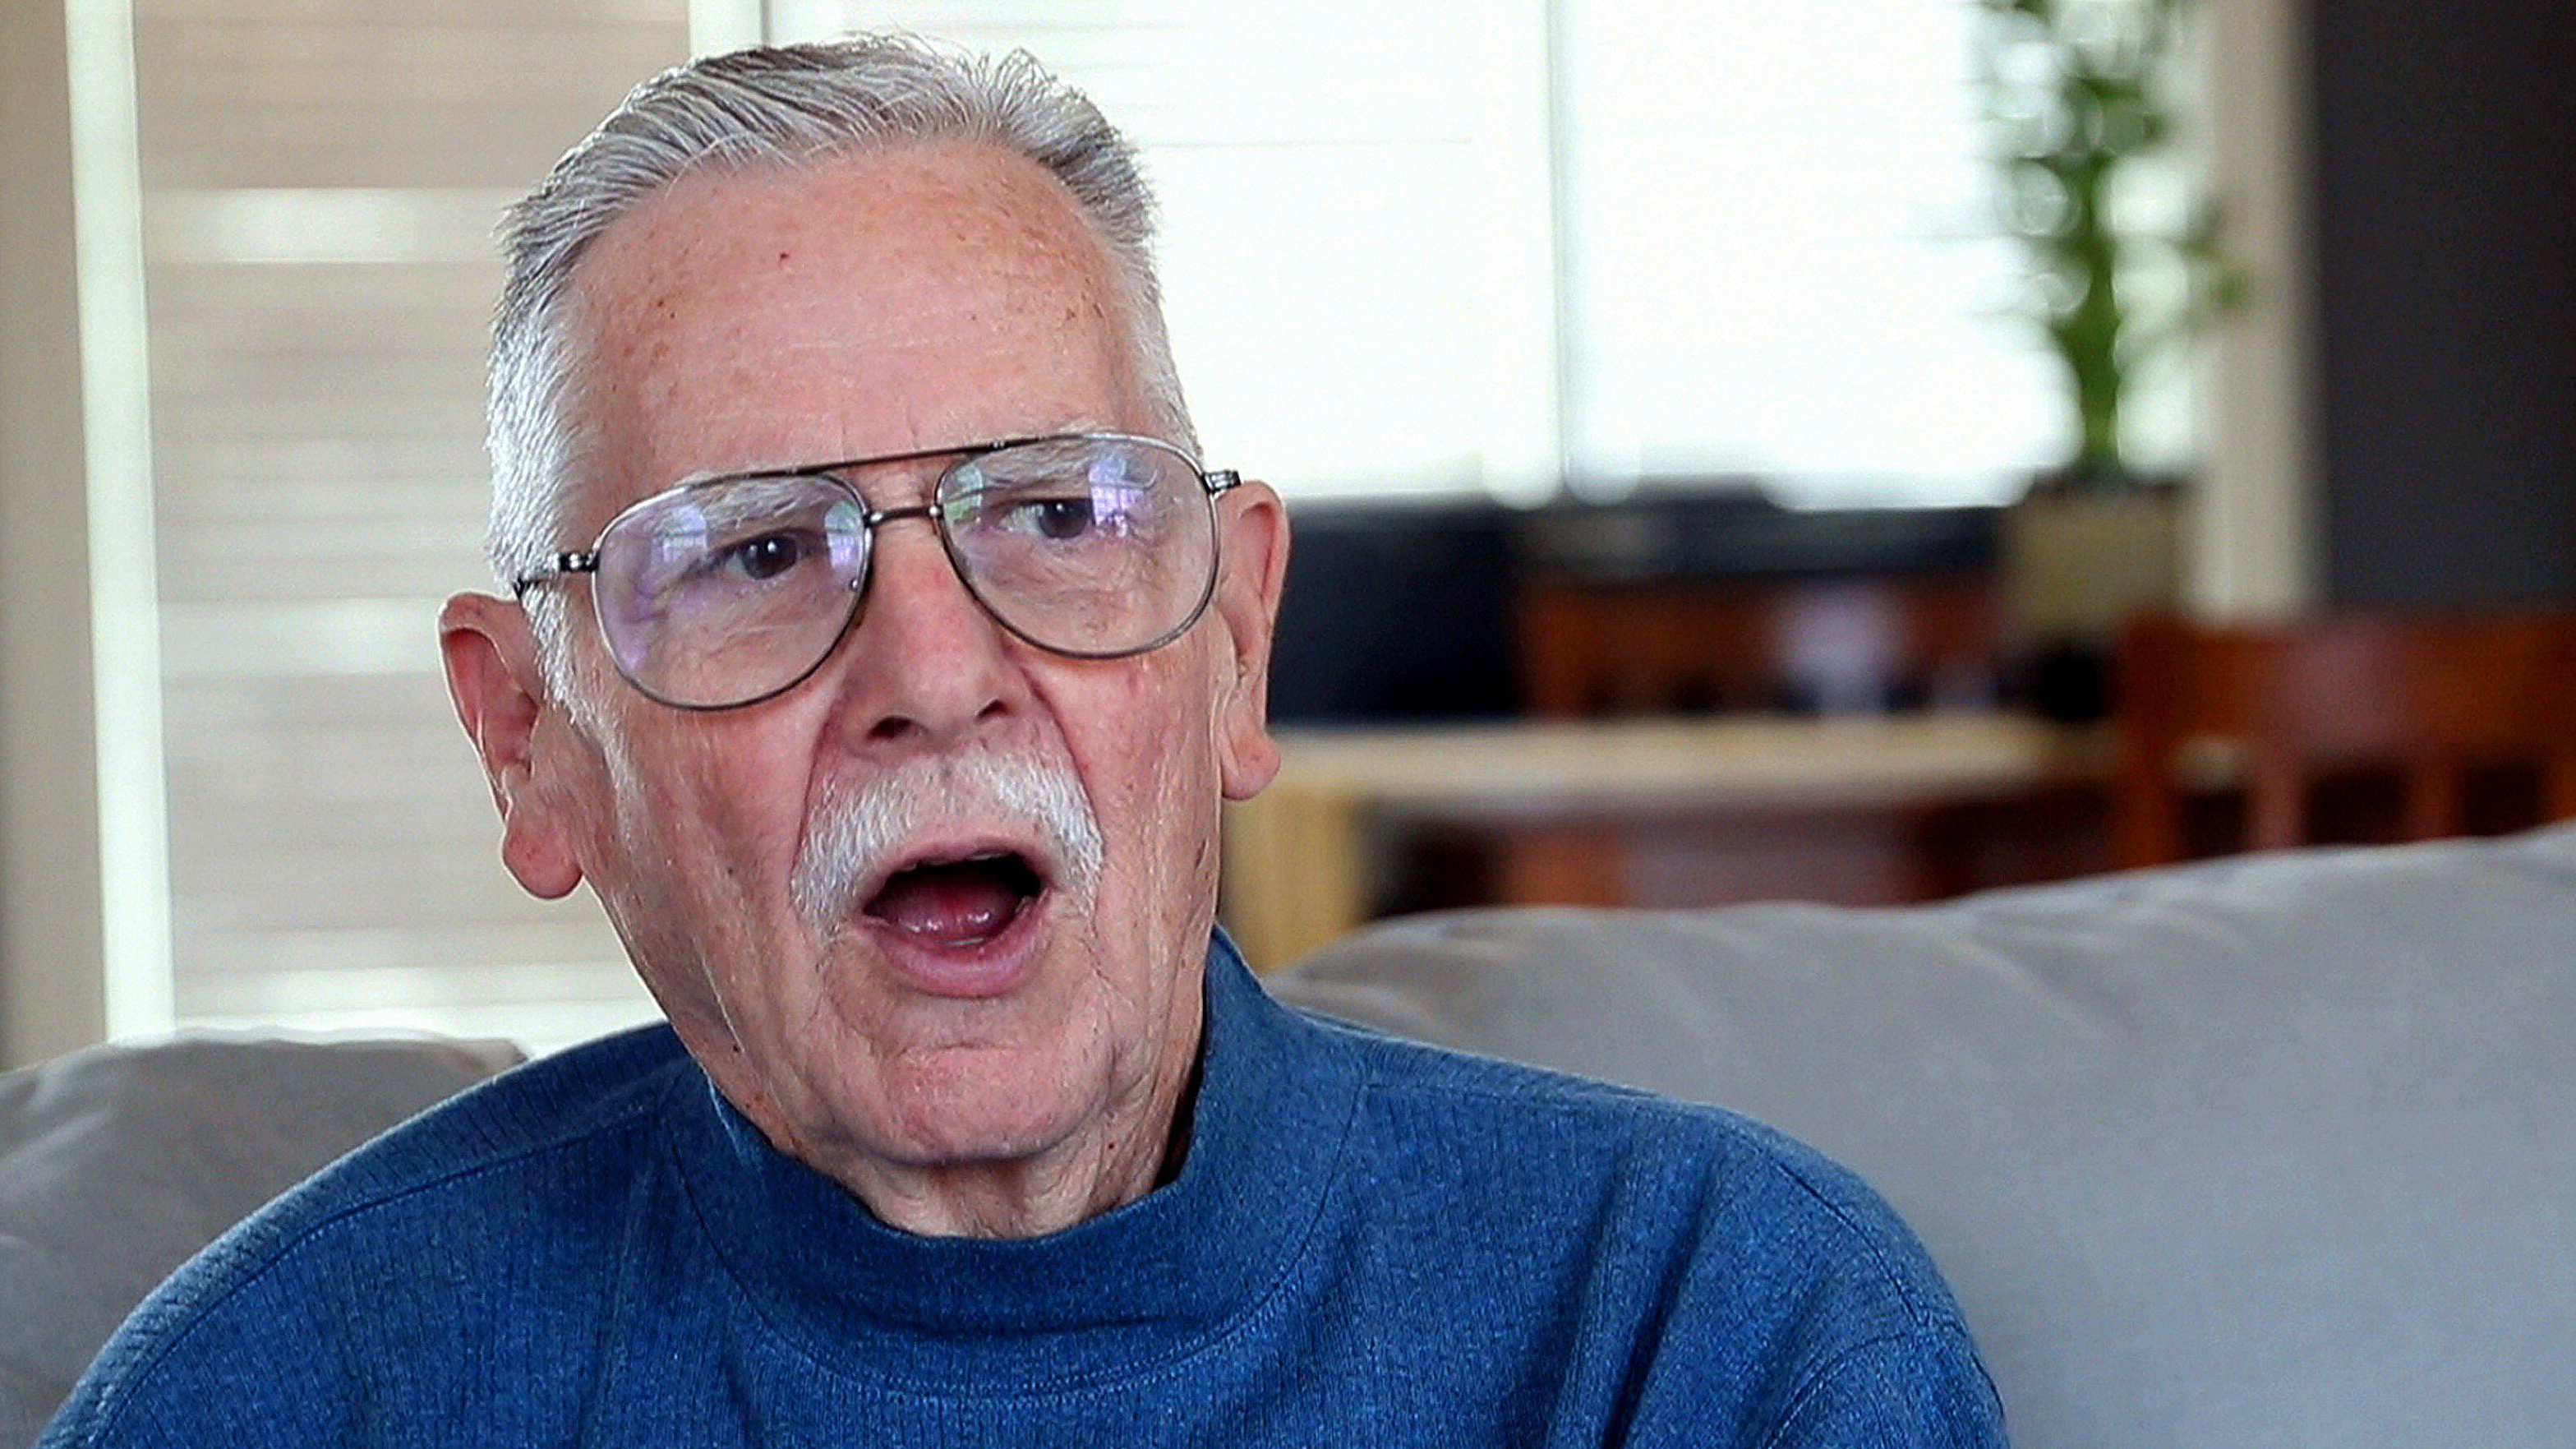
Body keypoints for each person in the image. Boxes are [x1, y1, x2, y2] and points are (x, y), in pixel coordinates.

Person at [44, 35, 2004, 1447]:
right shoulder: (284, 1393)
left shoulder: (1713, 1333)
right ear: (531, 747)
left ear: (1233, 639)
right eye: (750, 551)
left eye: (1053, 518)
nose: (932, 664)